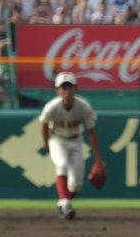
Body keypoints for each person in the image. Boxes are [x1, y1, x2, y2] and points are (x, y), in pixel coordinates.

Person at [40, 71, 103, 220]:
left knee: (76, 185)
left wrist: (98, 159)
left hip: (76, 140)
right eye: (63, 87)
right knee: (61, 165)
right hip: (57, 139)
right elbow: (43, 124)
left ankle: (63, 204)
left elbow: (92, 133)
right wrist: (46, 142)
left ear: (76, 89)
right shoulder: (51, 107)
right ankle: (65, 203)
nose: (67, 91)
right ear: (58, 90)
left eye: (69, 87)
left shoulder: (84, 107)